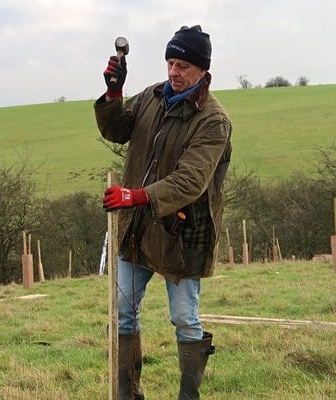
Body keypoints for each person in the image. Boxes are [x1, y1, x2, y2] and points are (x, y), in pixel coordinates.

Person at [94, 25, 232, 399]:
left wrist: (136, 196)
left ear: (203, 70)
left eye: (183, 64)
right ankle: (127, 393)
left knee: (184, 319)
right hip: (138, 226)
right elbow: (118, 130)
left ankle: (188, 396)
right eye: (171, 62)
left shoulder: (213, 121)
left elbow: (191, 181)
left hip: (183, 233)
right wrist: (114, 92)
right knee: (123, 311)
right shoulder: (153, 96)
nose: (174, 71)